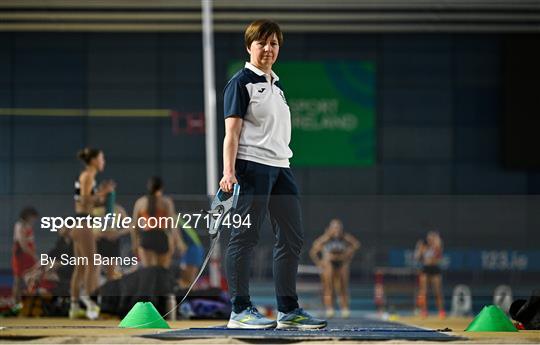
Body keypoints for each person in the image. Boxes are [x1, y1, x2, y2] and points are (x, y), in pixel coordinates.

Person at [220, 19, 326, 329]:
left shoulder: (277, 88)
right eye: (262, 43)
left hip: (282, 168)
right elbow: (231, 134)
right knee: (244, 237)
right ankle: (240, 311)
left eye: (274, 43)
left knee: (292, 238)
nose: (268, 49)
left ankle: (288, 311)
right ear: (249, 47)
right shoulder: (240, 83)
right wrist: (228, 172)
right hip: (251, 167)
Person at [70, 147, 115, 320]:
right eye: (102, 158)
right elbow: (83, 199)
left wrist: (100, 196)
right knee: (93, 265)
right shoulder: (88, 176)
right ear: (94, 160)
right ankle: (91, 303)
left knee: (81, 267)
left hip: (79, 221)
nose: (104, 162)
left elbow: (86, 201)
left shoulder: (87, 177)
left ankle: (74, 307)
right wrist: (103, 193)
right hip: (83, 223)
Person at [310, 219, 360, 318]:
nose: (337, 229)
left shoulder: (345, 237)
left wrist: (349, 253)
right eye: (334, 227)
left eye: (339, 227)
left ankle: (344, 309)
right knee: (328, 287)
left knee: (343, 287)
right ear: (330, 228)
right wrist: (319, 263)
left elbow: (356, 244)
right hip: (329, 264)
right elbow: (314, 250)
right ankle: (329, 309)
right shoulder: (326, 238)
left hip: (341, 263)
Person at [131, 176, 186, 269]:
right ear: (162, 187)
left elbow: (134, 226)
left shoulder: (140, 202)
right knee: (162, 272)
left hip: (146, 238)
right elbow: (172, 225)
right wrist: (178, 242)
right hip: (161, 237)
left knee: (149, 272)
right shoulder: (166, 202)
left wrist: (135, 244)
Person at [11, 207, 39, 308]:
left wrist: (33, 253)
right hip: (21, 256)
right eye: (33, 218)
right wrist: (34, 255)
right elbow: (23, 245)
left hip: (29, 255)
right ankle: (15, 302)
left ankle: (27, 302)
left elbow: (30, 243)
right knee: (18, 280)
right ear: (28, 216)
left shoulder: (28, 226)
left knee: (31, 278)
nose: (34, 220)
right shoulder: (19, 226)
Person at [414, 231, 446, 318]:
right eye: (429, 238)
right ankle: (424, 310)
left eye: (432, 238)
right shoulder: (423, 247)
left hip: (435, 269)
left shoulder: (436, 247)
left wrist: (437, 240)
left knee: (438, 291)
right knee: (423, 291)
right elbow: (417, 257)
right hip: (426, 268)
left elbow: (439, 254)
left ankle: (441, 311)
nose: (430, 240)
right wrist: (419, 248)